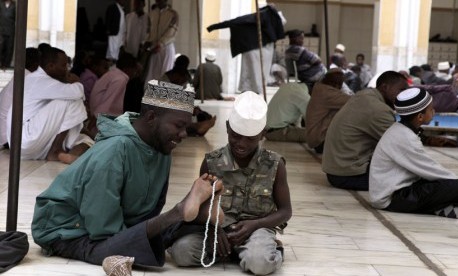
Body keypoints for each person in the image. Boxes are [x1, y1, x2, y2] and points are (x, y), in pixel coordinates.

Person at [31, 80, 225, 268]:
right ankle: (180, 211)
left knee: (177, 230)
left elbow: (149, 213)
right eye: (178, 126)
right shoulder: (114, 151)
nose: (183, 134)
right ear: (151, 118)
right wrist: (168, 219)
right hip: (67, 231)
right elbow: (102, 229)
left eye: (186, 127)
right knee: (119, 246)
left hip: (118, 224)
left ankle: (192, 212)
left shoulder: (161, 147)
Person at [169, 91, 292, 275]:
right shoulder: (211, 162)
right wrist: (213, 230)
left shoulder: (275, 164)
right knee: (181, 252)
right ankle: (237, 253)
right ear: (227, 127)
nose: (241, 144)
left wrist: (255, 225)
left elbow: (285, 211)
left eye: (250, 138)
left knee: (260, 264)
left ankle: (263, 251)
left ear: (262, 134)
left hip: (257, 230)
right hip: (217, 230)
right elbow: (201, 206)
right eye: (236, 136)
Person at [369, 87, 458, 218]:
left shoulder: (401, 130)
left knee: (447, 188)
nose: (434, 111)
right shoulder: (404, 137)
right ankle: (446, 208)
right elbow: (432, 170)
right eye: (431, 109)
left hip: (403, 190)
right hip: (392, 198)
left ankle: (445, 208)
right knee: (454, 187)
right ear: (420, 117)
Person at [321, 71, 408, 191]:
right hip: (350, 175)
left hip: (336, 171)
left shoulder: (365, 96)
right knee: (410, 177)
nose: (404, 95)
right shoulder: (378, 109)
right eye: (401, 90)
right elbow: (402, 145)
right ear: (384, 87)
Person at [6, 47, 92, 164]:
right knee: (73, 100)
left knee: (84, 140)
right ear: (51, 66)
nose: (67, 70)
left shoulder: (41, 80)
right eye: (63, 66)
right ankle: (56, 150)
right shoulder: (40, 80)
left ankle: (64, 150)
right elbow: (77, 92)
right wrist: (76, 81)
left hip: (22, 145)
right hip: (25, 138)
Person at [207, 4, 285, 94]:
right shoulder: (271, 18)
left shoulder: (264, 15)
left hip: (256, 48)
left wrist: (214, 26)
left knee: (251, 71)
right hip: (260, 48)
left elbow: (238, 21)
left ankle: (251, 89)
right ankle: (254, 89)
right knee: (257, 72)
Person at [0, 47, 40, 148]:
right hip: (9, 138)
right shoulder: (29, 79)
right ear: (36, 63)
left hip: (4, 135)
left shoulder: (22, 76)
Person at [305, 68, 351, 153]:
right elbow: (354, 101)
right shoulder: (326, 93)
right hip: (321, 141)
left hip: (317, 140)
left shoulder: (321, 89)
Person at [89, 52, 138, 118]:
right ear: (128, 69)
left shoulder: (113, 74)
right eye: (135, 70)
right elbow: (107, 102)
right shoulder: (120, 79)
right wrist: (94, 120)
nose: (135, 73)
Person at [144, 0, 178, 83]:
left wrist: (160, 44)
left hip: (166, 48)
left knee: (164, 75)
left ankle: (162, 95)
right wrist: (147, 42)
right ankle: (150, 95)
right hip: (153, 48)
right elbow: (148, 31)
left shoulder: (173, 14)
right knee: (152, 75)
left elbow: (171, 32)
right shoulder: (151, 13)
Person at [0, 0, 15, 69]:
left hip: (10, 30)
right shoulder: (1, 3)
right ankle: (1, 63)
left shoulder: (14, 5)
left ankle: (6, 64)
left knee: (9, 48)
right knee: (1, 47)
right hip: (1, 30)